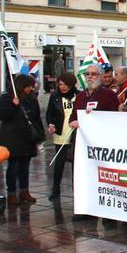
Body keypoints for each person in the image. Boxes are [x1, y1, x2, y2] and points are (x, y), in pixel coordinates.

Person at [69, 64, 120, 221]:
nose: (90, 76)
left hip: (100, 145)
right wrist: (73, 122)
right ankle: (85, 209)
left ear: (100, 76)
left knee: (103, 178)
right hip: (82, 145)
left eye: (94, 74)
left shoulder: (108, 95)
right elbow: (73, 116)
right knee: (81, 176)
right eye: (88, 74)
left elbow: (115, 118)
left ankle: (107, 212)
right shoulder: (81, 96)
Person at [0, 74, 43, 206]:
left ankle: (24, 191)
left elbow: (36, 117)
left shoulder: (32, 98)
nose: (31, 89)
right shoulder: (7, 97)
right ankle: (11, 193)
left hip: (27, 138)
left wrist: (40, 134)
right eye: (28, 87)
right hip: (12, 138)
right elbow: (0, 115)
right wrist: (13, 105)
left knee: (25, 167)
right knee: (13, 166)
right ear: (21, 86)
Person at [46, 72, 79, 201]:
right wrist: (51, 124)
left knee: (76, 164)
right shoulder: (55, 96)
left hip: (75, 134)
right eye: (60, 84)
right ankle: (55, 189)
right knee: (59, 163)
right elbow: (50, 113)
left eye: (66, 85)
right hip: (61, 134)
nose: (63, 87)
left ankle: (77, 190)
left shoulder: (79, 95)